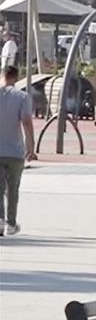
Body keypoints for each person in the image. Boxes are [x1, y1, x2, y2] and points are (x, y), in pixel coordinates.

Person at [0, 65, 35, 236]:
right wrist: (31, 146)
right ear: (16, 77)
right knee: (12, 189)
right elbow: (27, 121)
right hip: (14, 151)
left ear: (2, 76)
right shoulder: (22, 97)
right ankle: (10, 223)